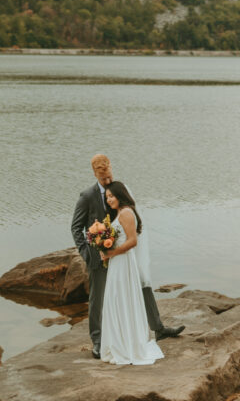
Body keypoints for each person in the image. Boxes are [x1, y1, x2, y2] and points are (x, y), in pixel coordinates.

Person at [71, 153, 184, 359]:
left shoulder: (119, 190)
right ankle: (97, 339)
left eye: (109, 177)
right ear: (95, 174)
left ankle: (157, 327)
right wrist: (86, 253)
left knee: (142, 284)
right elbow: (76, 227)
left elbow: (132, 219)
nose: (107, 183)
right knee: (98, 298)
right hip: (99, 256)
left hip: (122, 252)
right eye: (103, 179)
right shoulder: (86, 196)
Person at [101, 181, 164, 365]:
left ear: (120, 195)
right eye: (107, 197)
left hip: (123, 262)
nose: (109, 200)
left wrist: (111, 252)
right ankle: (120, 342)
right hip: (117, 263)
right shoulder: (120, 213)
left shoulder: (127, 213)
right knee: (116, 301)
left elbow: (132, 241)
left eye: (111, 196)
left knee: (121, 300)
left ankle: (127, 346)